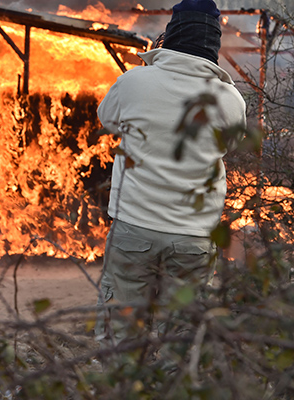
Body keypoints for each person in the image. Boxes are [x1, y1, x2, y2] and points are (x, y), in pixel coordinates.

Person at [95, 0, 247, 347]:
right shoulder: (230, 100)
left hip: (134, 229)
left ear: (171, 34)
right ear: (214, 42)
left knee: (122, 339)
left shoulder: (132, 83)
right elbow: (231, 145)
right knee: (180, 345)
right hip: (193, 238)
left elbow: (108, 119)